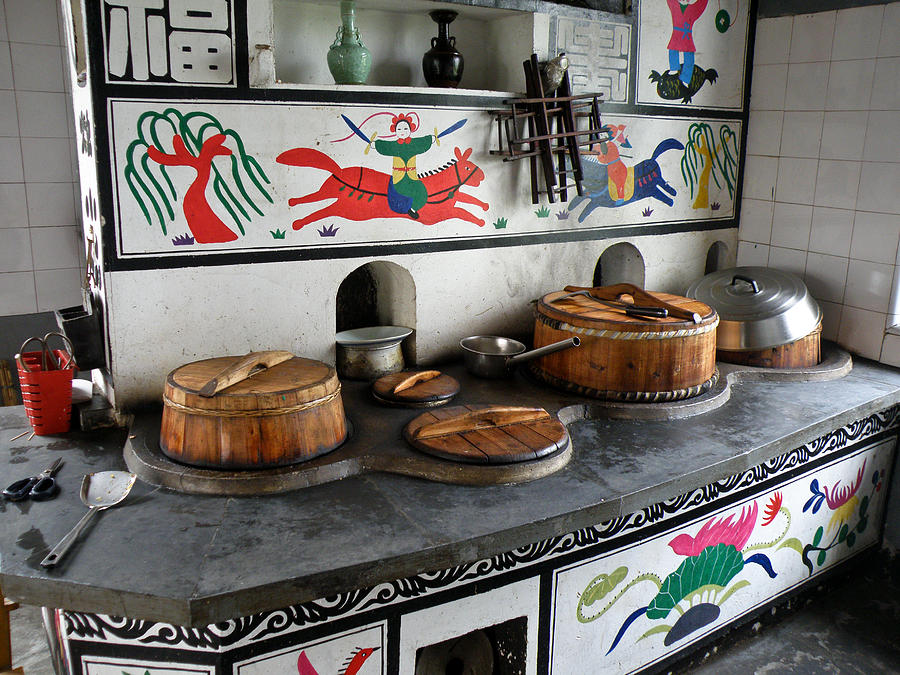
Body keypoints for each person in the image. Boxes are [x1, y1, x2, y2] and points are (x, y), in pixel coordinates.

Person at [372, 114, 436, 219]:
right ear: (395, 130)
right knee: (406, 191)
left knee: (422, 193)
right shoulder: (394, 146)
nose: (402, 131)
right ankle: (407, 207)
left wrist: (430, 139)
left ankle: (412, 209)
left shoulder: (414, 144)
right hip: (399, 179)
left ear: (410, 129)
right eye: (399, 128)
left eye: (406, 128)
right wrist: (376, 145)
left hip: (412, 177)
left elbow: (422, 142)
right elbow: (385, 146)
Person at [666, 0, 709, 87]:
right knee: (673, 50)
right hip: (677, 34)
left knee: (689, 56)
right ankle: (674, 68)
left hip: (687, 36)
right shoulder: (675, 6)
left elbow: (701, 5)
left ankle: (686, 77)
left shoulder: (692, 9)